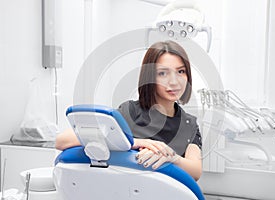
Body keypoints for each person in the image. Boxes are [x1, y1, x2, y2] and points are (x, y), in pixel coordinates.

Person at [55, 40, 202, 181]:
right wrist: (131, 142)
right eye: (163, 73)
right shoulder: (130, 112)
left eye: (181, 71)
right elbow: (62, 141)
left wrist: (172, 158)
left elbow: (195, 171)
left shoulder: (189, 124)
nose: (174, 81)